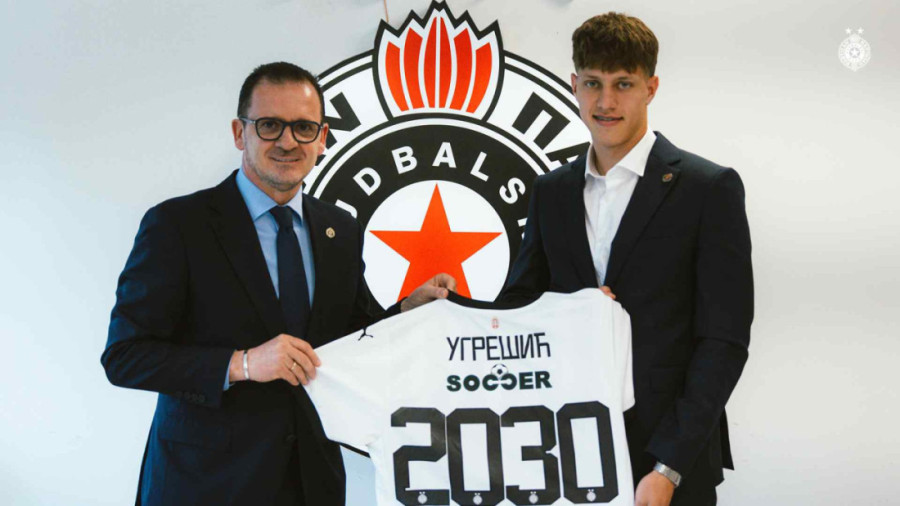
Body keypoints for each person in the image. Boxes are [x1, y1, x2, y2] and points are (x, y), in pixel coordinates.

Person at [101, 62, 454, 506]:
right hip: (204, 485)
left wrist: (404, 313)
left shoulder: (340, 230)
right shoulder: (178, 225)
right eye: (270, 125)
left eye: (304, 128)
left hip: (312, 482)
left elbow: (350, 339)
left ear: (322, 138)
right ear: (239, 133)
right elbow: (126, 357)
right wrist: (244, 364)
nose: (288, 142)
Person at [500, 13, 753, 506]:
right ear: (573, 85)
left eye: (623, 84)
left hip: (668, 465)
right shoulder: (551, 191)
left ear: (650, 88)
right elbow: (519, 308)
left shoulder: (708, 188)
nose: (605, 102)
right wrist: (444, 308)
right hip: (563, 454)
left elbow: (724, 341)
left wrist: (668, 467)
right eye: (592, 83)